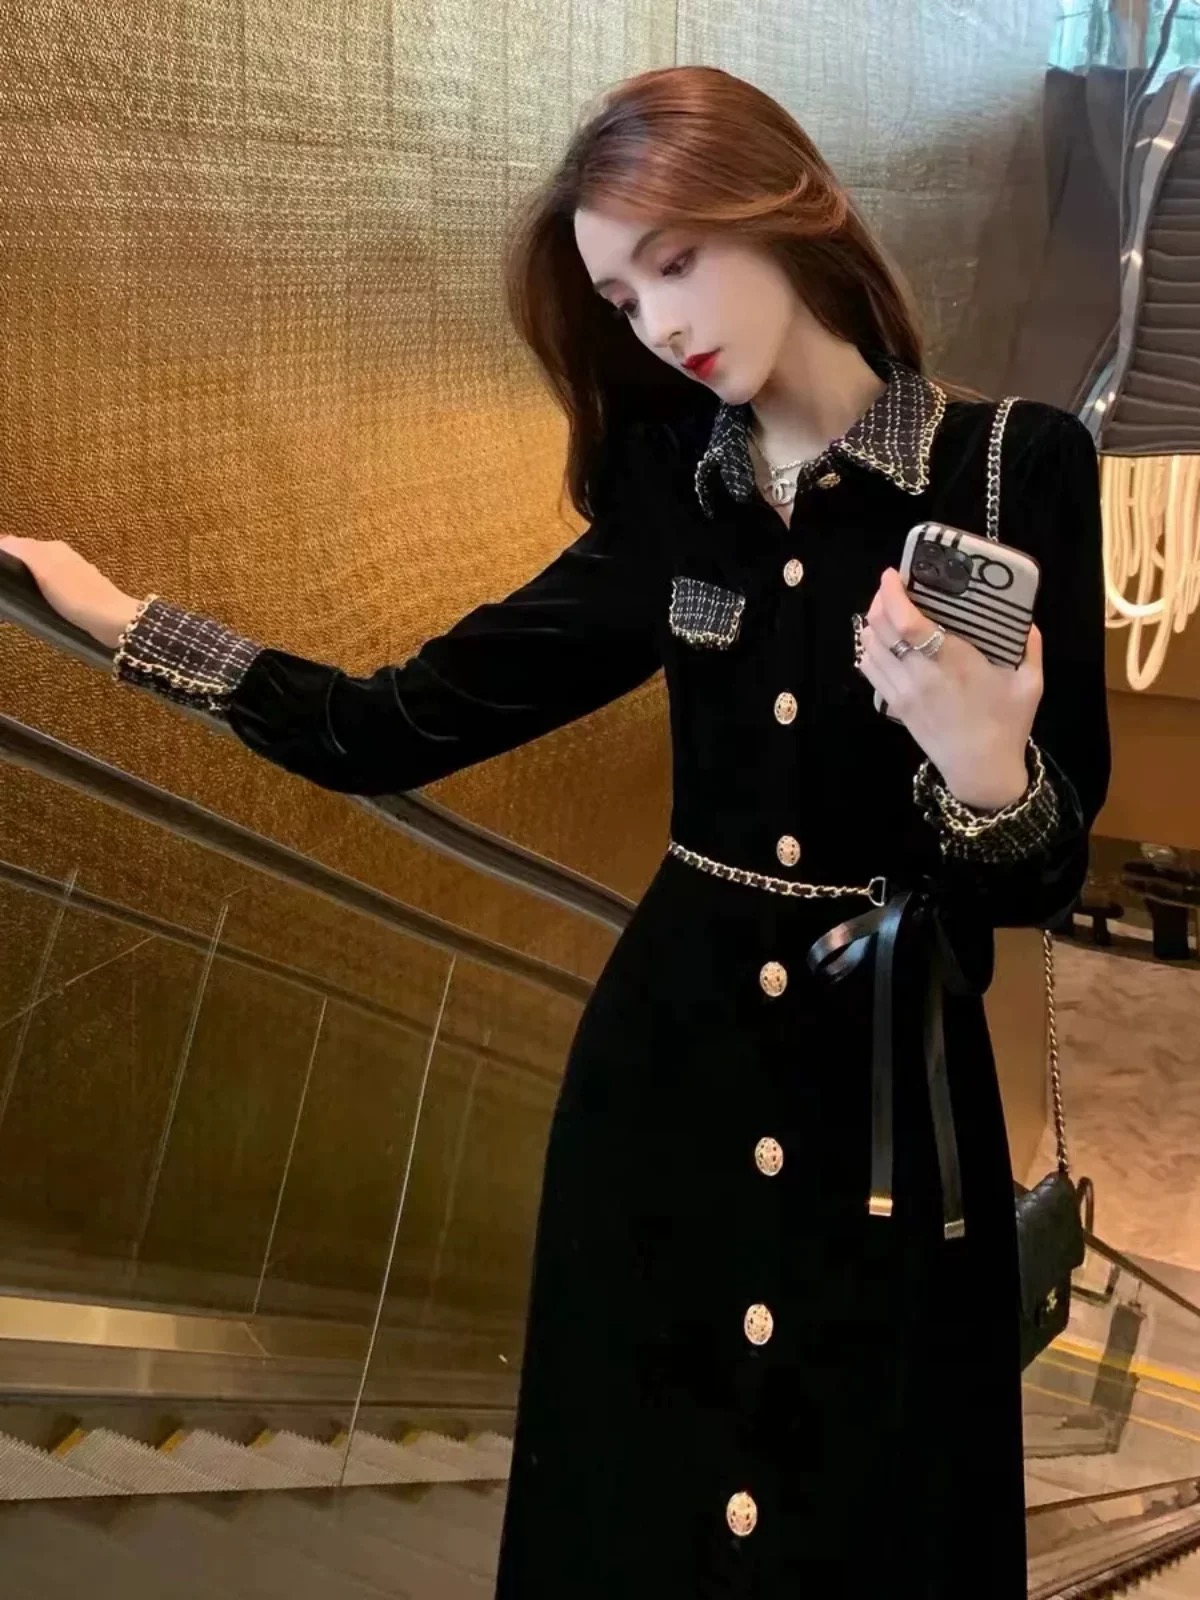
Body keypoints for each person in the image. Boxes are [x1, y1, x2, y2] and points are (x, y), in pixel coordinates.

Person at [1, 63, 1110, 1599]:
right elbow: (396, 723)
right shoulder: (673, 495)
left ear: (788, 207)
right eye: (621, 297)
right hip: (663, 1093)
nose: (658, 324)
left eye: (675, 262)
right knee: (634, 1510)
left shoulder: (1014, 467)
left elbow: (1044, 875)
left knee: (872, 1513)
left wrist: (984, 766)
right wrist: (125, 621)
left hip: (890, 1120)